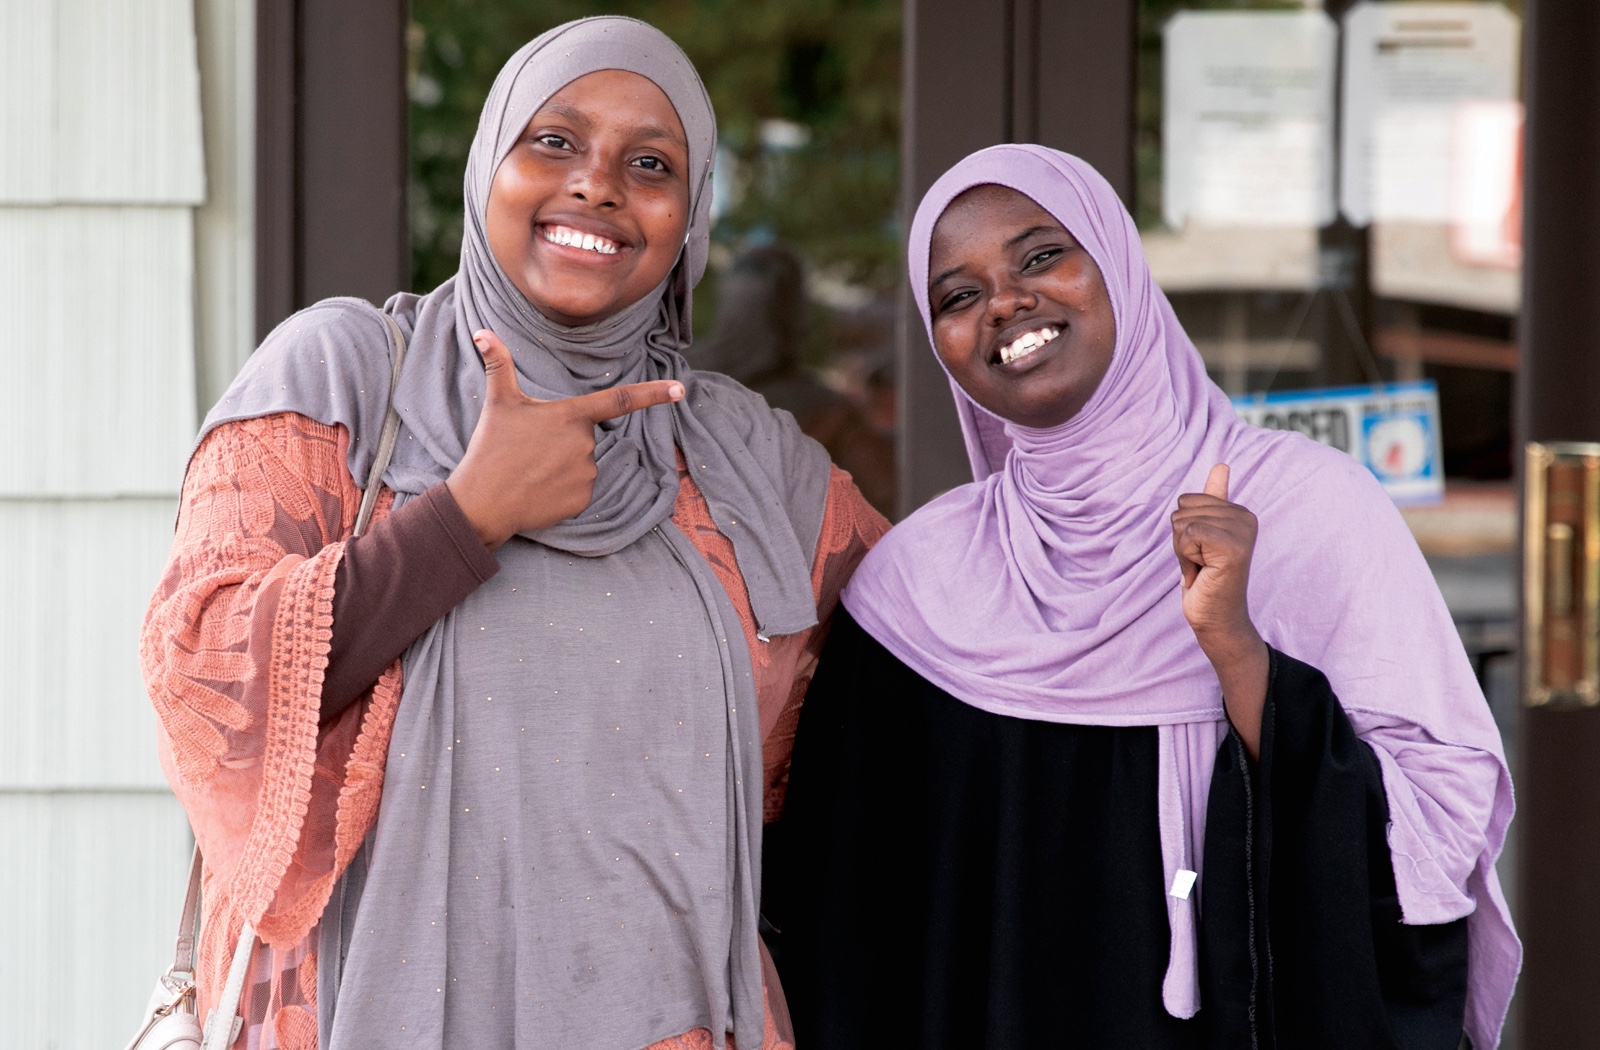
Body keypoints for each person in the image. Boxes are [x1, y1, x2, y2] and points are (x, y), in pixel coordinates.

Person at [140, 17, 887, 1050]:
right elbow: (203, 672)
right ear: (489, 164)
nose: (596, 184)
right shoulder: (347, 378)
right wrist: (467, 516)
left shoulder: (749, 462)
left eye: (649, 163)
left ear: (691, 219)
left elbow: (921, 670)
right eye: (554, 142)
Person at [769, 145, 1519, 1049]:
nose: (1005, 302)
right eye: (959, 296)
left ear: (1119, 265)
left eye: (1042, 255)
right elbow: (855, 919)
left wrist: (1238, 652)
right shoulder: (915, 586)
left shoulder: (1308, 509)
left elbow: (1435, 833)